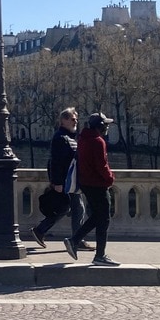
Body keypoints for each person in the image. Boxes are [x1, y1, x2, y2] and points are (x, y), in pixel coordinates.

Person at [64, 112, 120, 266]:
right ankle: (99, 255)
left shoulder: (83, 139)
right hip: (98, 184)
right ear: (100, 126)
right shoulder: (97, 141)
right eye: (106, 125)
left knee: (97, 216)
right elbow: (102, 166)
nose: (107, 127)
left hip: (86, 183)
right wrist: (110, 178)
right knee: (104, 218)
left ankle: (74, 240)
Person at [32, 108, 90, 249]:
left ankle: (41, 230)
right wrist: (57, 182)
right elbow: (55, 162)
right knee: (74, 208)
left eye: (76, 119)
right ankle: (76, 239)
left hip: (70, 181)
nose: (75, 121)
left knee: (70, 208)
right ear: (63, 121)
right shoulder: (61, 138)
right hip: (65, 181)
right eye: (72, 119)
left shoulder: (68, 137)